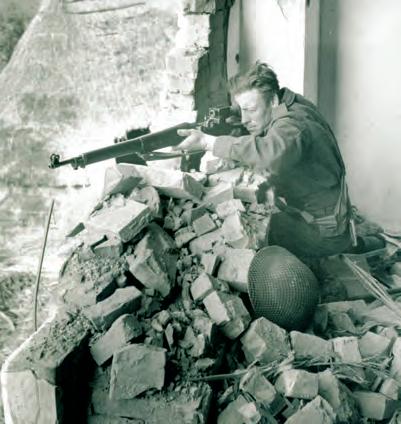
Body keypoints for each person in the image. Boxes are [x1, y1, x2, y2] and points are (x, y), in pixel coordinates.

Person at [175, 61, 356, 262]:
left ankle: (342, 252)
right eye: (241, 110)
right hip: (327, 215)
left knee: (255, 236)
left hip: (323, 233)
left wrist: (208, 142)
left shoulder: (294, 125)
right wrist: (245, 119)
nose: (244, 118)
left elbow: (270, 153)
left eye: (251, 109)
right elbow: (273, 130)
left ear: (273, 101)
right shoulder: (291, 103)